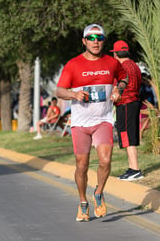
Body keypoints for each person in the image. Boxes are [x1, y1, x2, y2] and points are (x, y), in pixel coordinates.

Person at [56, 23, 128, 222]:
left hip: (103, 119)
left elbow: (123, 77)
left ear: (104, 41)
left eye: (100, 38)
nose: (96, 42)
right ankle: (82, 202)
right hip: (80, 123)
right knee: (82, 166)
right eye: (92, 38)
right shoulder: (73, 64)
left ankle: (98, 192)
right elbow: (59, 91)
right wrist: (74, 94)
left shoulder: (111, 63)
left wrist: (118, 90)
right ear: (84, 41)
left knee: (105, 161)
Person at [110, 40, 143, 181]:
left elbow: (117, 87)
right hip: (134, 102)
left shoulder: (122, 67)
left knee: (127, 136)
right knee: (130, 135)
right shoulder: (135, 66)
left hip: (125, 104)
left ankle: (135, 169)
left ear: (116, 54)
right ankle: (131, 168)